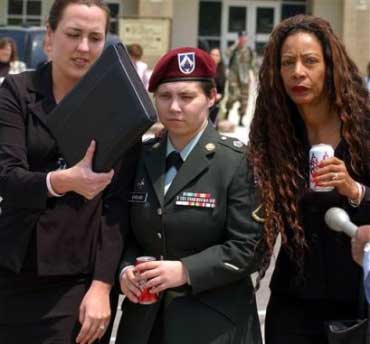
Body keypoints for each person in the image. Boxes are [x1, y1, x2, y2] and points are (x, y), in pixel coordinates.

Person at [0, 1, 138, 344]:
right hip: (12, 269)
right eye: (73, 34)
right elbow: (7, 175)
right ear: (49, 36)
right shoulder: (17, 92)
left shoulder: (121, 105)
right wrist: (61, 181)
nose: (83, 48)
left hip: (76, 282)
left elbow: (117, 207)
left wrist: (102, 286)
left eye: (95, 37)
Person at [116, 47, 263, 344]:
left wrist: (185, 271)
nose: (174, 107)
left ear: (211, 98)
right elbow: (124, 231)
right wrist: (126, 269)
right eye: (164, 96)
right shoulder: (141, 156)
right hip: (144, 324)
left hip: (213, 324)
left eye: (187, 97)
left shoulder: (236, 162)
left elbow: (250, 248)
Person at [247, 15, 370, 344]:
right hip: (293, 302)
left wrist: (355, 190)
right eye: (287, 63)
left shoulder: (365, 125)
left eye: (310, 61)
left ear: (330, 66)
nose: (297, 72)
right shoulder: (273, 133)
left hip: (359, 297)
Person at [224, 31, 256, 126]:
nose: (243, 39)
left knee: (244, 100)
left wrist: (255, 76)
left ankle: (241, 119)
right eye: (241, 37)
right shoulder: (234, 49)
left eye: (244, 37)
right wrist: (235, 45)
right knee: (233, 96)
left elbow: (253, 65)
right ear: (239, 38)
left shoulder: (249, 51)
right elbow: (226, 53)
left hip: (245, 79)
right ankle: (227, 112)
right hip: (234, 78)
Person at [209, 47, 226, 124]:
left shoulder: (222, 72)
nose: (214, 57)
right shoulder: (205, 69)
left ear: (220, 58)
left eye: (217, 55)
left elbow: (222, 91)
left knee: (213, 122)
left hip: (215, 101)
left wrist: (219, 96)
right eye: (213, 54)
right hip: (205, 99)